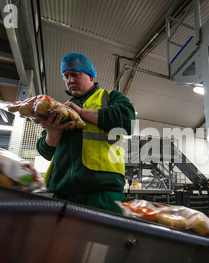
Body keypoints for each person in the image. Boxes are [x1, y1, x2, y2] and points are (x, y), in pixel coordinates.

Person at [36, 52, 136, 214]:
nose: (70, 80)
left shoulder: (109, 98)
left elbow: (128, 120)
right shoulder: (60, 109)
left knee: (105, 237)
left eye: (75, 74)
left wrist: (81, 112)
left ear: (90, 77)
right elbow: (45, 151)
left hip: (102, 190)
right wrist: (52, 133)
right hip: (63, 191)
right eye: (65, 76)